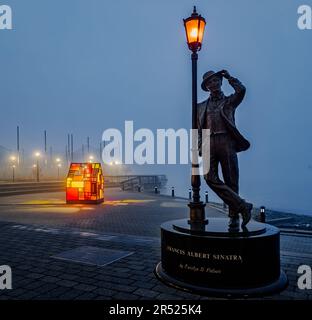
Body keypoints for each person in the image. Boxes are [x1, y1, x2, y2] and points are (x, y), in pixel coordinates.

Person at [197, 69, 252, 229]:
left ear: (220, 82)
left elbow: (241, 90)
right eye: (209, 82)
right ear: (206, 87)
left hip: (226, 142)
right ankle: (242, 205)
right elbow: (198, 129)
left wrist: (229, 77)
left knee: (231, 180)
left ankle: (234, 217)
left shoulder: (229, 101)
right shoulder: (200, 107)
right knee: (209, 177)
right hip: (209, 144)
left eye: (215, 81)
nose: (213, 84)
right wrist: (200, 146)